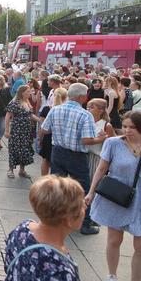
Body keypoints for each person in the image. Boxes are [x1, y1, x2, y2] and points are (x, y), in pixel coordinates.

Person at [0, 175, 86, 281]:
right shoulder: (59, 272)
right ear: (68, 219)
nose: (85, 208)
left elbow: (9, 265)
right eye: (81, 205)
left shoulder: (22, 230)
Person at [86, 111, 141, 281]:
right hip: (117, 198)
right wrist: (91, 192)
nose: (127, 130)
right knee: (113, 240)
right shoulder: (113, 143)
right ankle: (111, 276)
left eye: (132, 127)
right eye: (125, 126)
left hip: (140, 201)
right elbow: (101, 169)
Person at [41, 82, 106, 235]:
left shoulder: (55, 109)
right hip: (76, 155)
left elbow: (44, 129)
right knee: (83, 189)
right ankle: (84, 223)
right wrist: (101, 139)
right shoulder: (85, 114)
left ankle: (55, 219)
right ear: (83, 97)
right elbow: (86, 140)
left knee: (58, 187)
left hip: (57, 151)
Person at [5, 85, 41, 179]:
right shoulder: (14, 102)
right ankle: (11, 170)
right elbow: (8, 117)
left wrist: (40, 121)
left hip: (26, 131)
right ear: (22, 92)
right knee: (14, 150)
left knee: (25, 150)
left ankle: (22, 170)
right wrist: (6, 130)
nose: (30, 93)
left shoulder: (27, 102)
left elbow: (30, 115)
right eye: (28, 91)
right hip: (16, 131)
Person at [38, 88, 68, 176]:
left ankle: (43, 179)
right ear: (66, 97)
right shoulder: (66, 111)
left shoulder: (47, 109)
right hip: (61, 139)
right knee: (58, 163)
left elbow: (42, 127)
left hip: (48, 137)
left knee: (45, 160)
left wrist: (40, 139)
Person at [86, 98, 115, 179]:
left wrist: (104, 138)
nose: (88, 109)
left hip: (97, 158)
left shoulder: (106, 125)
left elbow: (112, 144)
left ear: (101, 110)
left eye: (91, 107)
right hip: (84, 156)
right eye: (88, 107)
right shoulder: (86, 122)